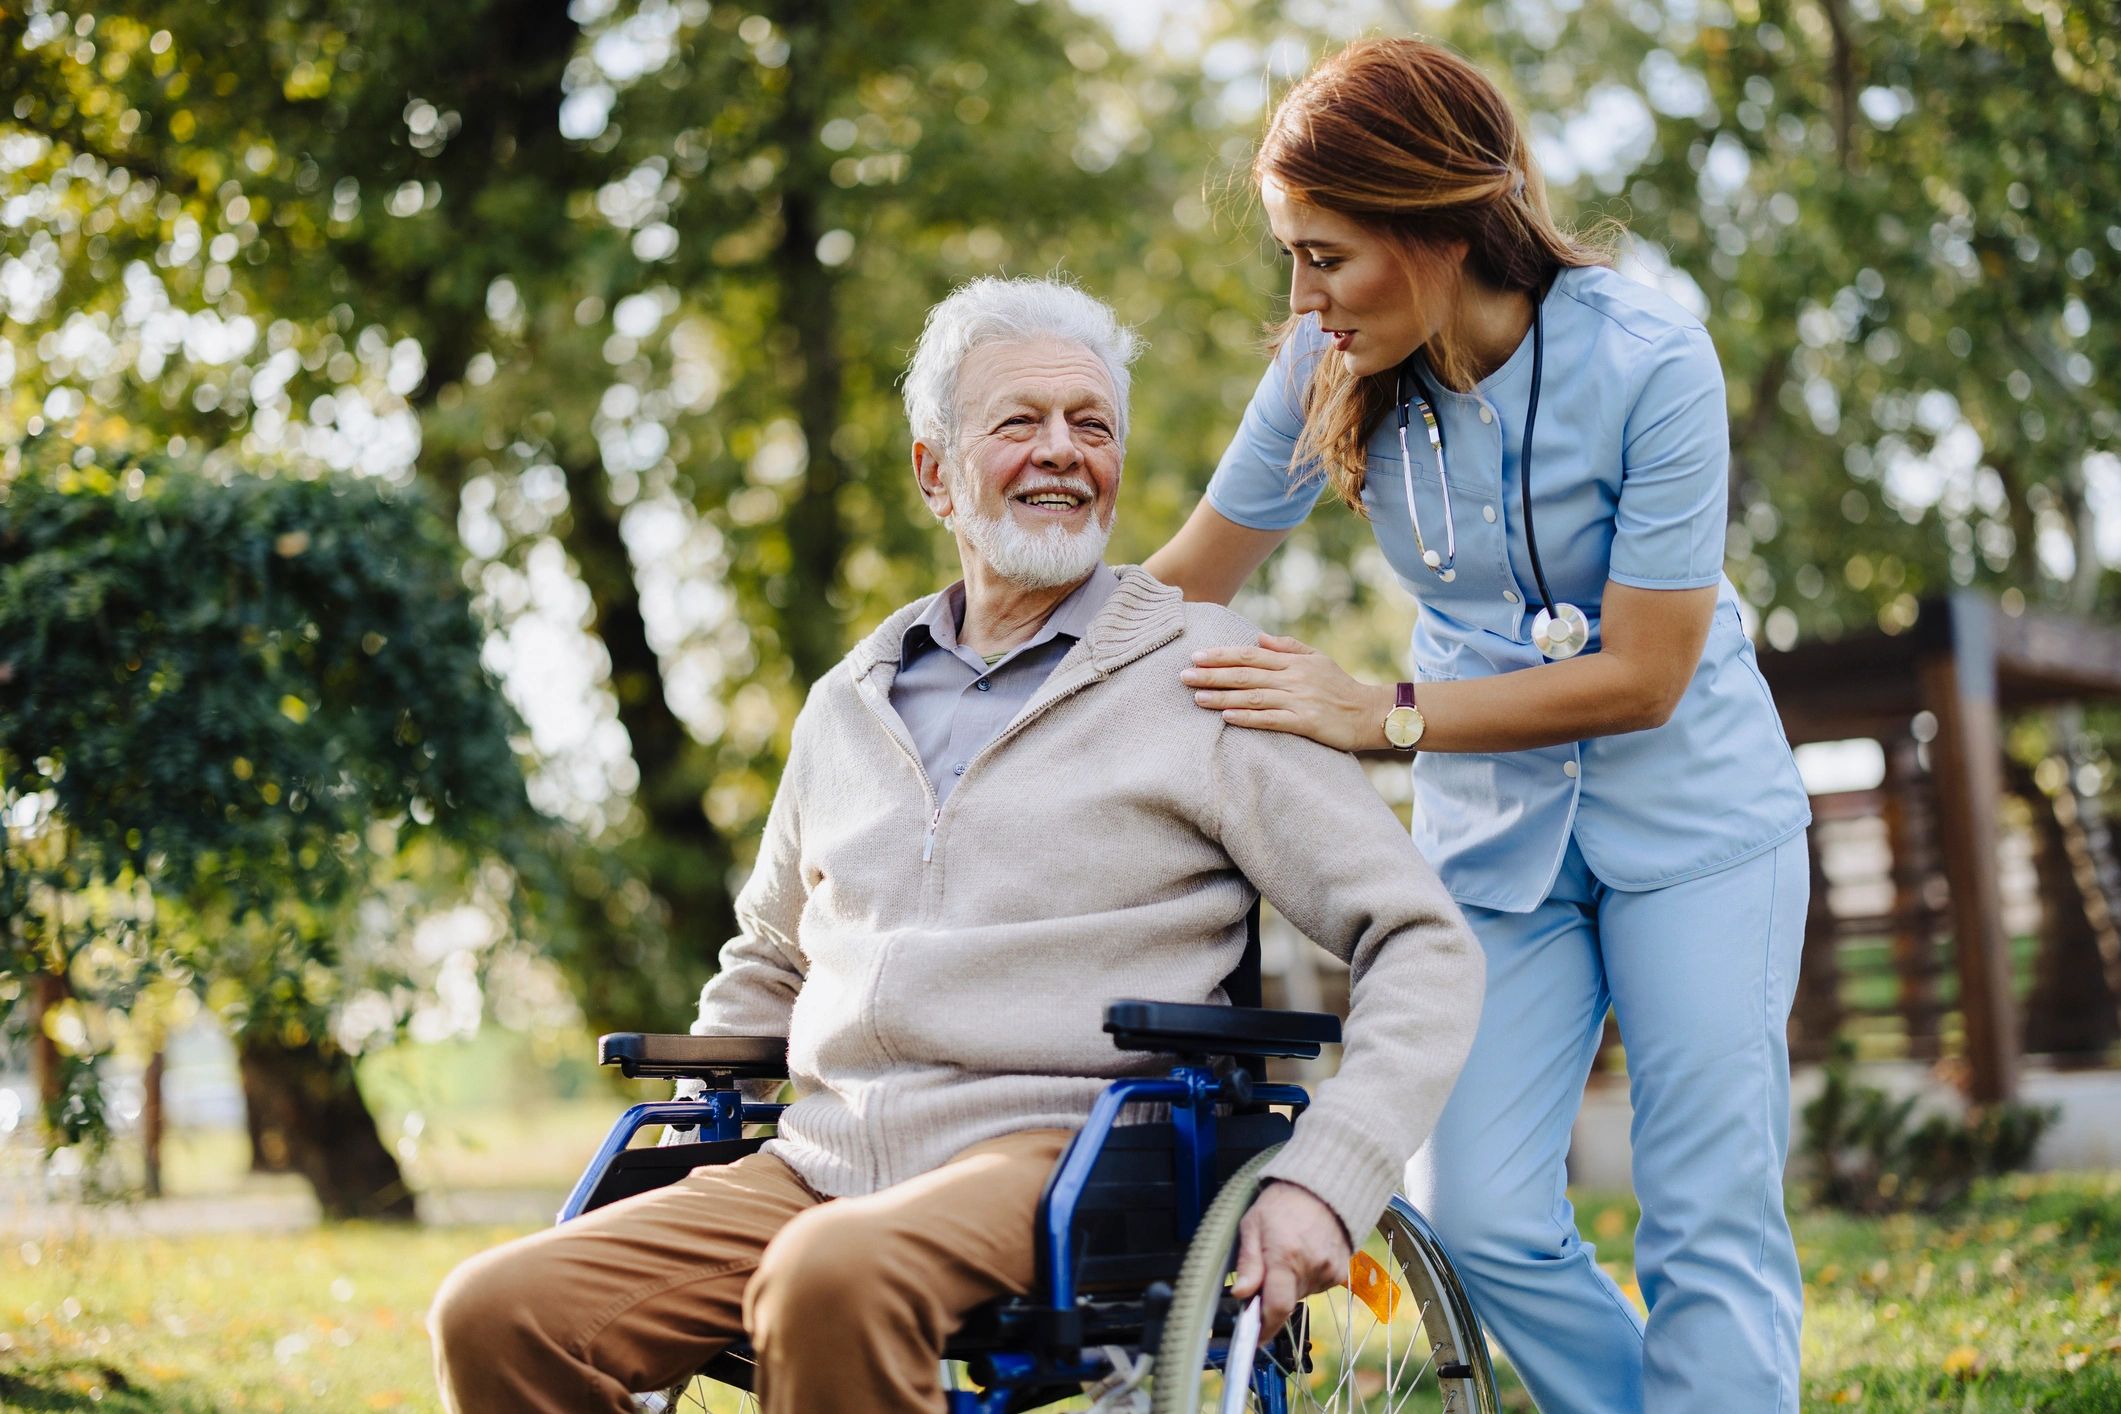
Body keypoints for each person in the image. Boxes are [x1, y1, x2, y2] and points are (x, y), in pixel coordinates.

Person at [427, 276, 1484, 1413]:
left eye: (1091, 424)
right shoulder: (850, 703)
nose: (1061, 451)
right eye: (1018, 421)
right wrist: (709, 1100)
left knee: (829, 1276)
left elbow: (1423, 942)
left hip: (1067, 1153)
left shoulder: (1205, 675)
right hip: (820, 1163)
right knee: (497, 1309)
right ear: (935, 470)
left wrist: (1331, 1178)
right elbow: (773, 959)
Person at [1144, 37, 1814, 1414]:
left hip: (1697, 825)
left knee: (1707, 1211)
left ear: (1436, 225)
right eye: (1293, 254)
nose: (1303, 297)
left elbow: (1644, 675)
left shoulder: (1650, 362)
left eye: (1324, 254)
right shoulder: (1323, 367)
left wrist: (1373, 714)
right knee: (1486, 1214)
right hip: (1499, 844)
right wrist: (981, 644)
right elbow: (1183, 583)